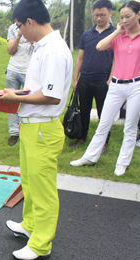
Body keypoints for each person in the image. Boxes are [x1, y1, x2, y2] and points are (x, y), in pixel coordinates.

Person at [0, 0, 72, 260]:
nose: (20, 33)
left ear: (30, 21)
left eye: (19, 26)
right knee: (28, 182)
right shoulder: (42, 47)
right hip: (31, 126)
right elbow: (39, 89)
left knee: (43, 189)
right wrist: (14, 94)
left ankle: (41, 245)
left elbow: (51, 96)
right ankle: (30, 225)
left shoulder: (53, 50)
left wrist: (13, 98)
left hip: (43, 127)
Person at [70, 1, 140, 176]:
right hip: (116, 85)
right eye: (122, 17)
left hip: (136, 85)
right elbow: (99, 46)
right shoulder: (118, 36)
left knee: (130, 127)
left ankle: (122, 163)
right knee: (103, 123)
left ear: (138, 15)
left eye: (128, 16)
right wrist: (118, 31)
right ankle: (90, 156)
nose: (124, 20)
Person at [70, 0, 115, 149]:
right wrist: (76, 79)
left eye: (102, 15)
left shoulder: (115, 34)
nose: (99, 18)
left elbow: (117, 59)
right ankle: (81, 137)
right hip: (86, 79)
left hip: (103, 80)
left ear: (110, 13)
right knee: (84, 110)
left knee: (104, 113)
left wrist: (110, 79)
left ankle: (104, 142)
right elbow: (80, 58)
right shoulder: (87, 35)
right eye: (96, 15)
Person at [5, 21, 33, 146]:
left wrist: (27, 33)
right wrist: (19, 35)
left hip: (29, 71)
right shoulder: (12, 28)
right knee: (11, 102)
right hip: (13, 70)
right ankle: (13, 132)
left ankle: (28, 130)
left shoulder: (34, 26)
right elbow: (10, 50)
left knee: (29, 102)